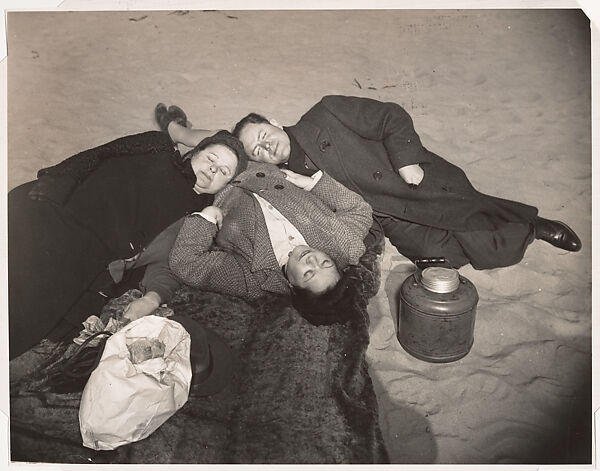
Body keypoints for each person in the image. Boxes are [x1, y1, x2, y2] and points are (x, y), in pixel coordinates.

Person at [163, 96, 582, 269]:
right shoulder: (274, 171)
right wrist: (183, 136)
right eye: (256, 150)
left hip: (411, 184)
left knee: (469, 211)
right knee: (438, 254)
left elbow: (390, 117)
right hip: (385, 219)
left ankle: (535, 226)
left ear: (274, 122)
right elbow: (226, 147)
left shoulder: (324, 114)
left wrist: (406, 162)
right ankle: (518, 234)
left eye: (263, 136)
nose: (264, 148)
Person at [8, 108, 248, 360]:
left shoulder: (196, 220)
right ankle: (176, 124)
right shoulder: (158, 146)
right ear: (194, 151)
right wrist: (56, 181)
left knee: (21, 318)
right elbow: (99, 154)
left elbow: (169, 265)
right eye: (211, 158)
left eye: (223, 171)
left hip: (84, 260)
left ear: (226, 185)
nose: (213, 169)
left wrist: (153, 298)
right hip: (55, 210)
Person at [168, 161, 373, 323]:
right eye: (325, 263)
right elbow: (360, 211)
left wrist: (208, 218)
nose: (312, 260)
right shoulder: (343, 245)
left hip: (220, 183)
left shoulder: (255, 282)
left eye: (309, 273)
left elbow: (186, 263)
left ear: (293, 288)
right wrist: (312, 184)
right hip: (262, 164)